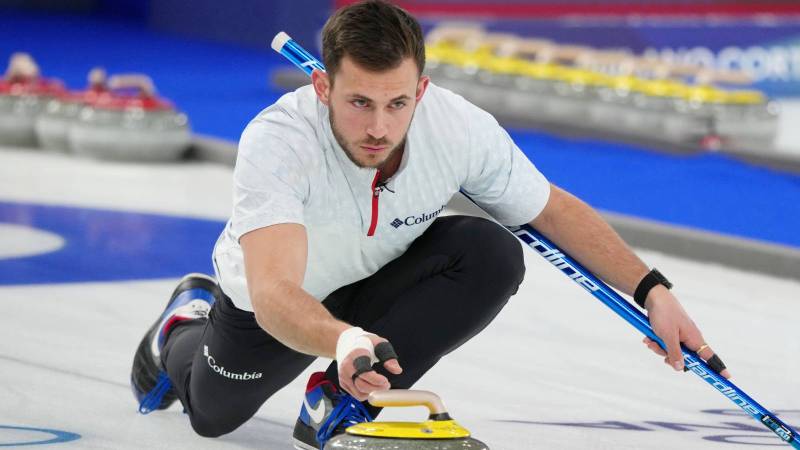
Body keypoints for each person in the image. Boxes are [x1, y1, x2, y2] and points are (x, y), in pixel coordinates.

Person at [130, 1, 731, 449]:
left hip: (379, 273)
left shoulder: (457, 127)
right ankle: (182, 326)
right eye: (359, 103)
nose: (379, 129)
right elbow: (273, 292)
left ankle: (342, 403)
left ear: (420, 88)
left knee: (491, 250)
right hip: (284, 303)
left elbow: (549, 207)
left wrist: (652, 288)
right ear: (321, 85)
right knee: (212, 414)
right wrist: (342, 339)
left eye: (397, 104)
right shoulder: (278, 142)